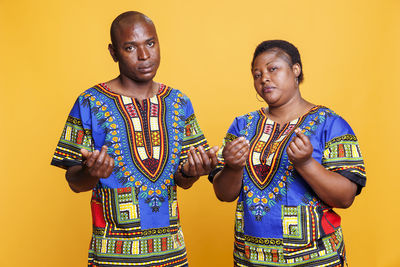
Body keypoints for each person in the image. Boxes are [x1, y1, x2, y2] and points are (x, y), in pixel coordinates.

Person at [51, 11, 218, 267]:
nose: (144, 56)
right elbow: (74, 182)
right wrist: (92, 172)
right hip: (112, 256)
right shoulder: (90, 102)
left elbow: (182, 181)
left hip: (171, 254)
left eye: (150, 43)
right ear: (113, 52)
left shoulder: (179, 102)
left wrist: (193, 172)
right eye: (130, 47)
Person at [209, 40, 366, 266]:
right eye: (257, 74)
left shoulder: (330, 124)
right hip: (251, 258)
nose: (264, 78)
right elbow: (224, 194)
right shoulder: (242, 126)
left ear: (295, 70)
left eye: (273, 69)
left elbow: (345, 197)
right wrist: (233, 167)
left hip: (315, 258)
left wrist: (306, 163)